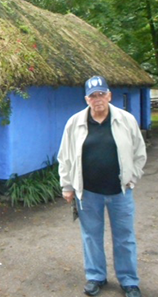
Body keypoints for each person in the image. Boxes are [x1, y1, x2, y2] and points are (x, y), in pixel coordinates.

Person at [58, 75, 147, 297]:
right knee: (91, 236)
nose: (97, 99)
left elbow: (139, 153)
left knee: (125, 237)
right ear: (86, 99)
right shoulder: (74, 123)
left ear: (109, 95)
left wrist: (132, 177)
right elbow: (65, 157)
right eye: (92, 96)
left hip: (120, 192)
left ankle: (128, 280)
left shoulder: (126, 120)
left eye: (101, 94)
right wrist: (67, 186)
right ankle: (96, 276)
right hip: (88, 193)